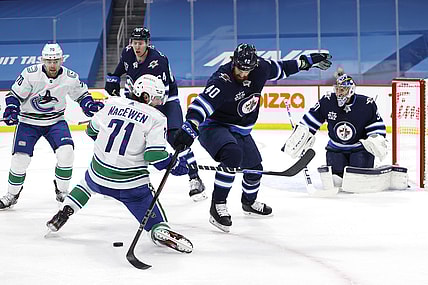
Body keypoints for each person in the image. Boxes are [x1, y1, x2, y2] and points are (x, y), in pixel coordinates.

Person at [172, 43, 332, 232]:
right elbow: (201, 105)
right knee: (232, 154)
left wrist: (309, 61)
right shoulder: (222, 79)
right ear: (234, 62)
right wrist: (190, 126)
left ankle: (249, 202)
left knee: (255, 168)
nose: (243, 74)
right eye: (240, 69)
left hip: (240, 129)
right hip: (214, 126)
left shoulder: (261, 68)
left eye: (248, 70)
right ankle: (218, 206)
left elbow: (282, 68)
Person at [46, 74, 193, 253]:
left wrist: (109, 151)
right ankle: (159, 230)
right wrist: (175, 165)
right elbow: (154, 156)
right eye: (155, 98)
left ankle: (65, 210)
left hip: (98, 175)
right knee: (151, 212)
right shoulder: (156, 117)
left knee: (86, 183)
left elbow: (91, 130)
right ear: (146, 96)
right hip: (131, 187)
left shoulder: (112, 103)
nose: (158, 102)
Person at [105, 27, 207, 202]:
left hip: (165, 101)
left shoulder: (158, 61)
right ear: (131, 43)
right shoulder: (128, 53)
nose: (137, 47)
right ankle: (125, 179)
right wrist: (113, 78)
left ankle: (194, 177)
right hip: (138, 98)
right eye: (135, 42)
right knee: (129, 138)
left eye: (141, 43)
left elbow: (162, 96)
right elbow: (122, 68)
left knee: (176, 138)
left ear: (147, 43)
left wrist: (146, 116)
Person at [0, 43, 104, 209]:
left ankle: (62, 192)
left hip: (55, 121)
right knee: (20, 159)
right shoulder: (30, 74)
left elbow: (82, 95)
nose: (52, 65)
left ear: (62, 60)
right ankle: (11, 195)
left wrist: (89, 105)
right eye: (49, 61)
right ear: (42, 60)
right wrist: (12, 109)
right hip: (28, 122)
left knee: (66, 153)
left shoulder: (70, 77)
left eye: (56, 60)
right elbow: (14, 96)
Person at [284, 71, 389, 192]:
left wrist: (376, 139)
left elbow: (376, 126)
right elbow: (311, 120)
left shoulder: (365, 104)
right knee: (335, 182)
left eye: (342, 90)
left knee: (357, 182)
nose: (338, 93)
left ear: (350, 90)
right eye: (337, 89)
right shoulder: (328, 101)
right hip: (336, 149)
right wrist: (301, 136)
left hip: (359, 149)